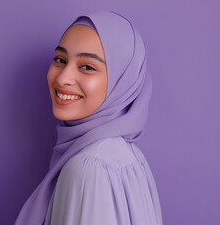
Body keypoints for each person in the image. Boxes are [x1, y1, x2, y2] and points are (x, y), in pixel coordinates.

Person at [15, 11, 163, 225]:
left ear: (122, 81)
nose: (63, 78)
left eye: (87, 67)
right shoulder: (132, 157)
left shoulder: (87, 167)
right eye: (60, 59)